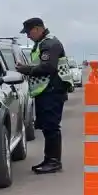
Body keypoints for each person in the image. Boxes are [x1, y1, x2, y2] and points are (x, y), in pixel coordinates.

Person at [14, 17, 74, 174]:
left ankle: (54, 162)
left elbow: (48, 67)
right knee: (47, 128)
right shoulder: (42, 43)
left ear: (37, 29)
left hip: (52, 91)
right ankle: (49, 159)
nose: (27, 36)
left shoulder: (50, 43)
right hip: (46, 91)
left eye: (28, 32)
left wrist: (26, 70)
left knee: (51, 127)